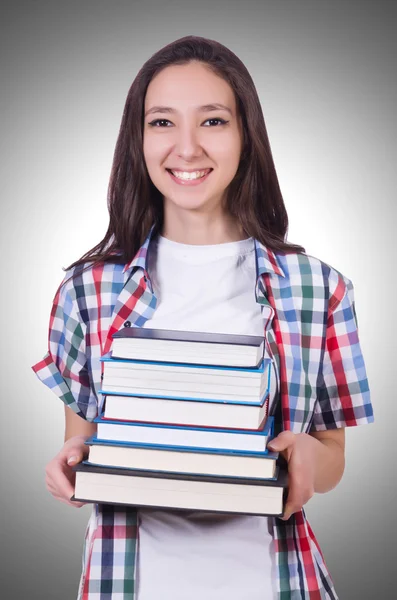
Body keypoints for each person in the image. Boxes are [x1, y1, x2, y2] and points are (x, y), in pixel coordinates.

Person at [32, 35, 374, 600]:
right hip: (131, 582)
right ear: (137, 139)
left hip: (273, 581)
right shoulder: (86, 290)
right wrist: (70, 468)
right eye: (162, 122)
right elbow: (86, 445)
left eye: (212, 122)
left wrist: (309, 457)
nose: (186, 148)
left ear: (246, 136)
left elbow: (332, 458)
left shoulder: (318, 289)